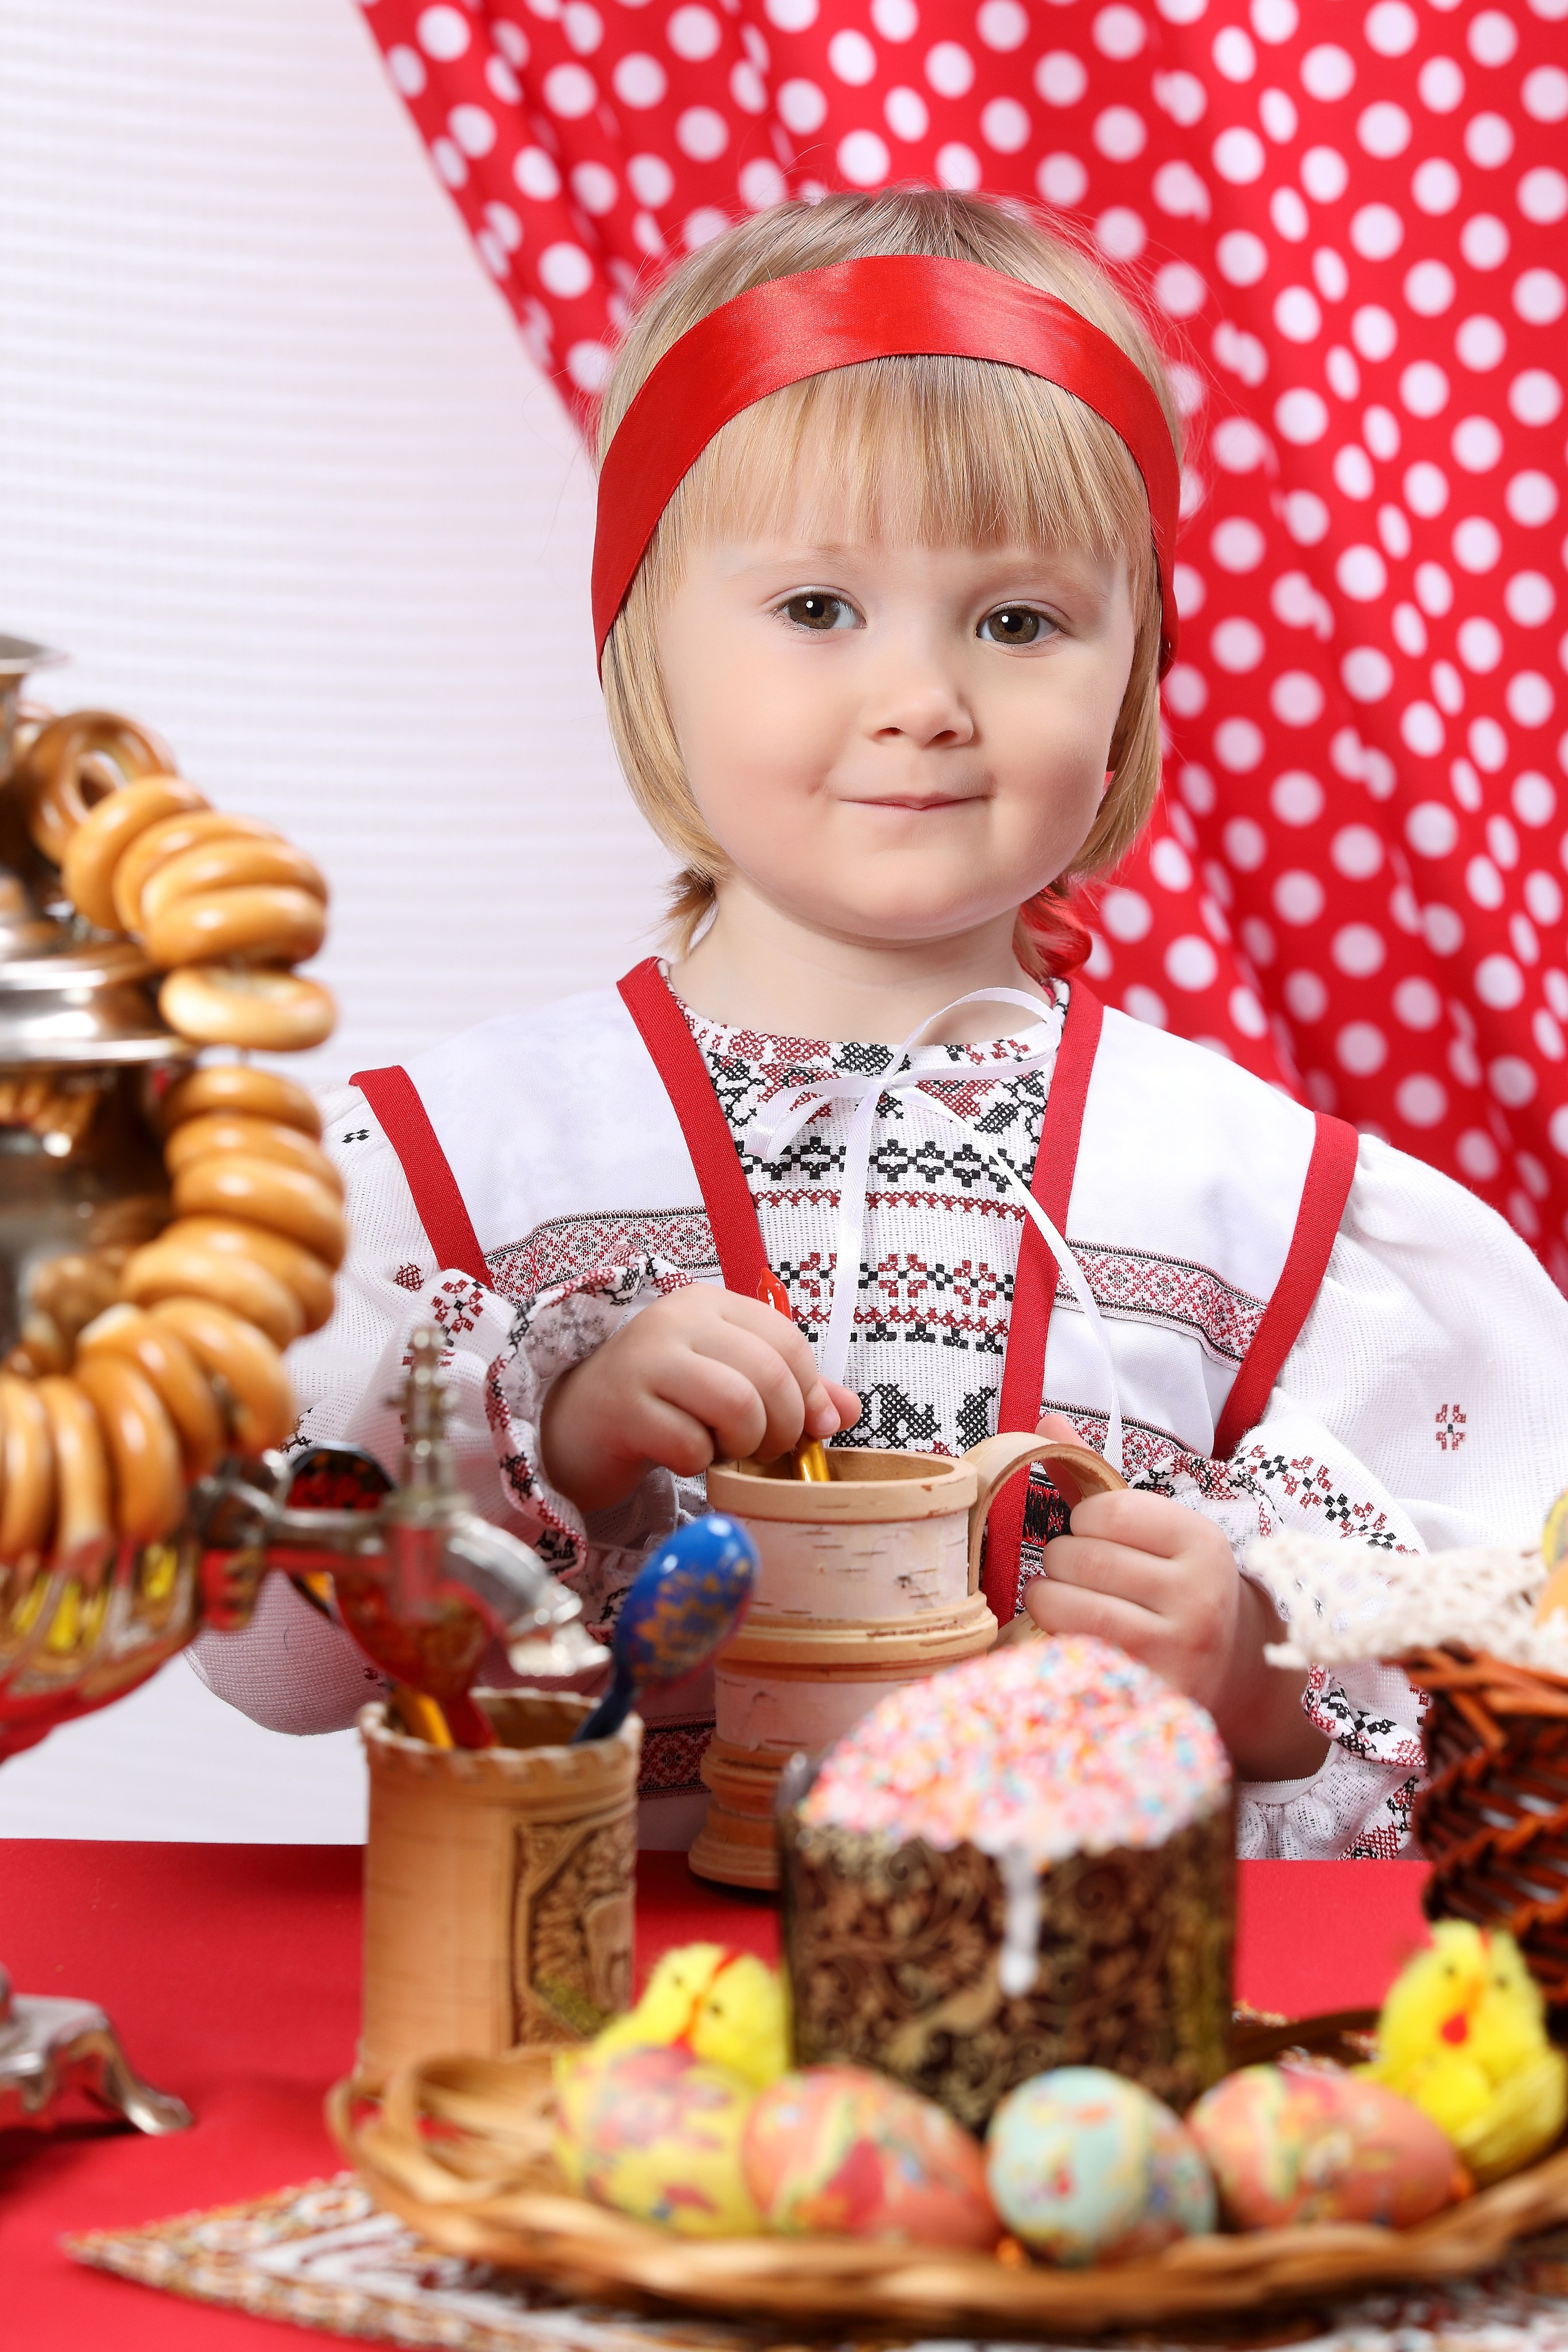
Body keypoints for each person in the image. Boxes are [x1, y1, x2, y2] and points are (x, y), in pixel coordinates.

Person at [191, 188, 1568, 1858]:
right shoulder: (460, 1166)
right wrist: (546, 1437)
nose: (922, 696)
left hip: (1089, 2074)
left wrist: (1264, 1675)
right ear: (646, 644)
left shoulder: (1257, 1203)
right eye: (819, 609)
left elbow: (1519, 1706)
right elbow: (265, 1653)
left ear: (1131, 683)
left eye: (1018, 621)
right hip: (592, 2066)